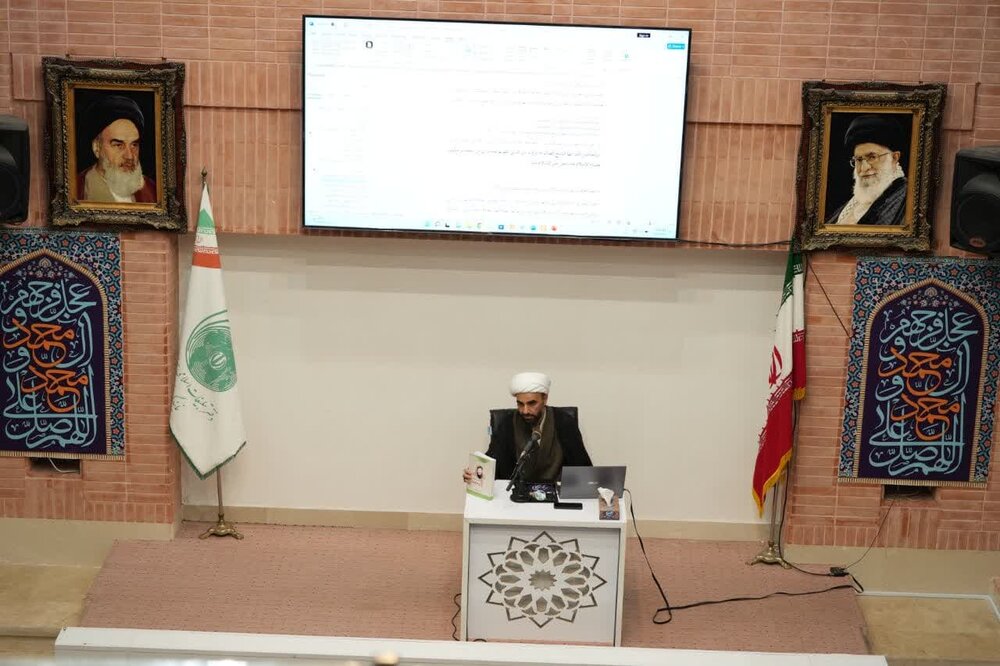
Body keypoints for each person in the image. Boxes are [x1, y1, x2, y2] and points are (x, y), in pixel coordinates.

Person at [463, 372, 592, 484]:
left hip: (556, 493)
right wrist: (474, 474)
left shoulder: (564, 422)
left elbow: (583, 468)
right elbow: (492, 460)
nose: (525, 411)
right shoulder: (507, 424)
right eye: (520, 404)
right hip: (517, 493)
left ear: (545, 399)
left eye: (532, 403)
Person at [826, 114, 908, 226]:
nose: (863, 168)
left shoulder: (907, 197)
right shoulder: (856, 201)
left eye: (872, 157)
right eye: (859, 159)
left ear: (894, 158)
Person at [76, 94, 156, 203]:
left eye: (134, 145)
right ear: (96, 147)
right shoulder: (76, 190)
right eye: (118, 145)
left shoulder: (152, 190)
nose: (129, 156)